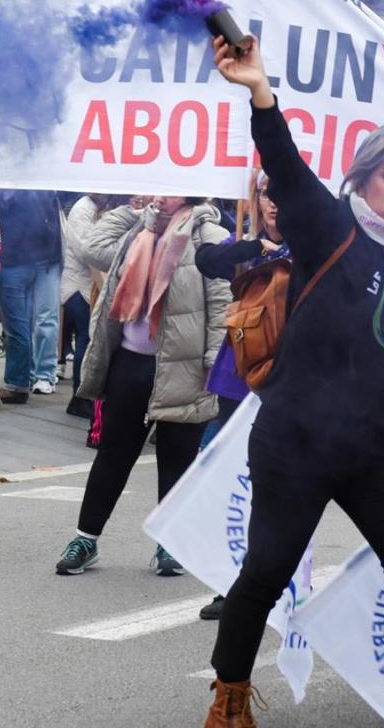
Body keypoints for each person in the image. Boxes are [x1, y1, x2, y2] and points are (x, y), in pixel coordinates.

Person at [206, 34, 384, 728]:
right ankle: (228, 704)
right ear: (365, 179)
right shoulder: (331, 227)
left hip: (370, 450)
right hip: (297, 443)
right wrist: (260, 92)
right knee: (266, 571)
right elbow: (282, 165)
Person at [54, 195, 230, 577]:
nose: (160, 196)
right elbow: (92, 248)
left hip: (185, 366)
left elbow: (221, 302)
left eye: (170, 188)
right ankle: (85, 538)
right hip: (129, 362)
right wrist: (133, 213)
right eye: (155, 187)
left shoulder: (208, 235)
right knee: (113, 454)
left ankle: (170, 544)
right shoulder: (138, 228)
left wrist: (214, 362)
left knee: (177, 458)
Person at [190, 173, 289, 621]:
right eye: (267, 194)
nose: (273, 204)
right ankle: (232, 581)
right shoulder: (245, 240)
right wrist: (254, 249)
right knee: (219, 481)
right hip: (237, 378)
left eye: (282, 194)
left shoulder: (315, 247)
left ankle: (257, 584)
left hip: (282, 383)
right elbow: (206, 259)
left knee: (268, 493)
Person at [0, 189, 63, 403]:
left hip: (14, 259)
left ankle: (18, 383)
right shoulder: (40, 187)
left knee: (17, 325)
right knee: (28, 322)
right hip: (35, 259)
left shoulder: (11, 191)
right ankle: (28, 376)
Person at [60, 193, 107, 421]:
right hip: (79, 286)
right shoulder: (83, 208)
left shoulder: (105, 207)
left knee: (91, 338)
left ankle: (88, 394)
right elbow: (87, 250)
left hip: (97, 285)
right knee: (86, 337)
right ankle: (80, 396)